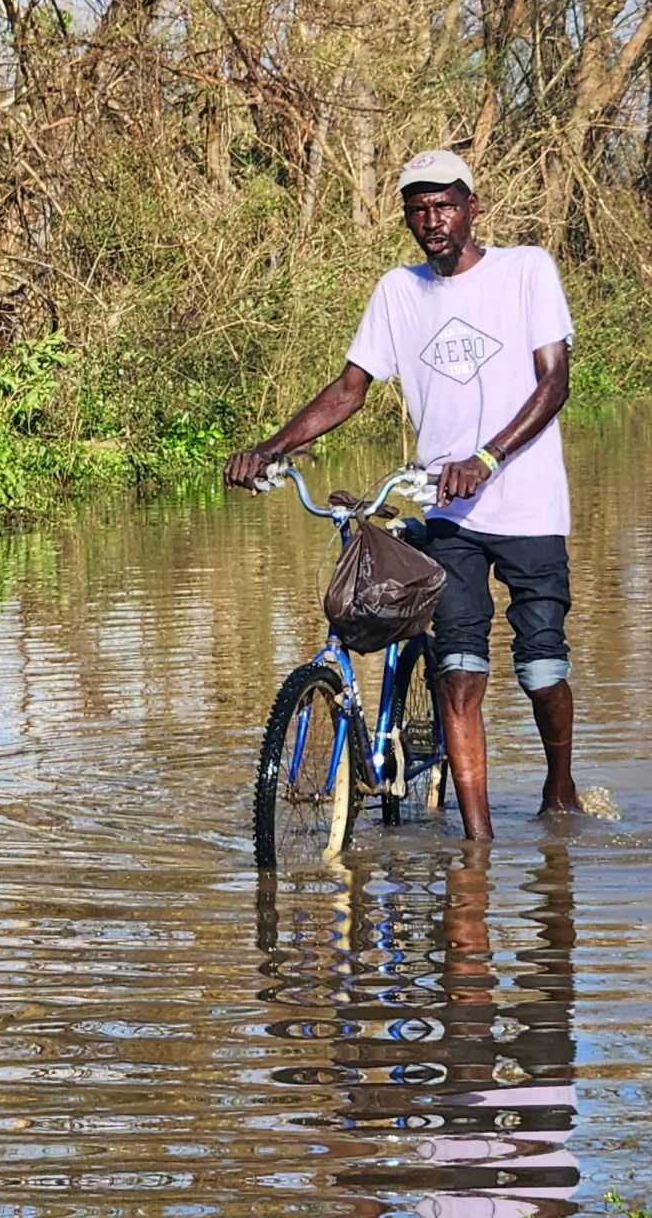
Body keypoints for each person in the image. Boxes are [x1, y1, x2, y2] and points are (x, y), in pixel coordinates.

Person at [225, 148, 579, 837]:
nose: (431, 220)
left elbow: (555, 383)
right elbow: (349, 388)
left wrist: (487, 456)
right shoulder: (398, 290)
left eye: (444, 205)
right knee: (457, 670)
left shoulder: (526, 270)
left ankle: (559, 782)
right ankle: (478, 846)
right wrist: (271, 448)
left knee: (540, 668)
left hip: (529, 503)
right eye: (417, 210)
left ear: (472, 206)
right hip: (448, 513)